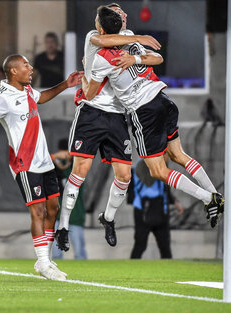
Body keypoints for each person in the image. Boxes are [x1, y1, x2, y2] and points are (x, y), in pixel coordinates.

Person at [82, 6, 224, 229]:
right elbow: (157, 58)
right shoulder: (130, 39)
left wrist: (85, 74)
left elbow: (89, 93)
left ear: (100, 27)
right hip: (164, 99)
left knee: (157, 170)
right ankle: (216, 195)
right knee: (178, 155)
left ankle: (208, 198)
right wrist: (137, 59)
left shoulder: (100, 57)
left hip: (144, 110)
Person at [56, 3, 163, 251]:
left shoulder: (127, 38)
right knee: (80, 171)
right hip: (91, 113)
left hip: (116, 115)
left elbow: (153, 57)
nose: (123, 15)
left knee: (124, 175)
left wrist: (138, 55)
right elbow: (91, 90)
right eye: (117, 13)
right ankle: (63, 226)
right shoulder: (93, 37)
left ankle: (109, 218)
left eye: (121, 11)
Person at [0, 54, 83, 281]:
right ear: (13, 71)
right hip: (25, 163)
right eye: (26, 65)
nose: (30, 68)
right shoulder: (3, 98)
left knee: (53, 208)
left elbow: (41, 97)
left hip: (44, 162)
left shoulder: (27, 91)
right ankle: (43, 263)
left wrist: (66, 84)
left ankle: (46, 260)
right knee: (38, 211)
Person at [128, 157, 184, 259]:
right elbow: (148, 181)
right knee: (140, 245)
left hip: (160, 209)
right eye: (166, 154)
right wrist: (158, 164)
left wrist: (175, 203)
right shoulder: (143, 165)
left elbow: (165, 188)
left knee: (165, 246)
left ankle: (168, 272)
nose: (168, 158)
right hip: (142, 210)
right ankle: (131, 270)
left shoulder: (161, 165)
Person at [51, 139, 87, 260]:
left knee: (80, 253)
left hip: (75, 216)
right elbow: (38, 166)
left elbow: (84, 162)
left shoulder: (77, 168)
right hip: (57, 217)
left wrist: (72, 158)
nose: (64, 157)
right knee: (56, 255)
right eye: (62, 154)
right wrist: (54, 157)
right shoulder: (52, 169)